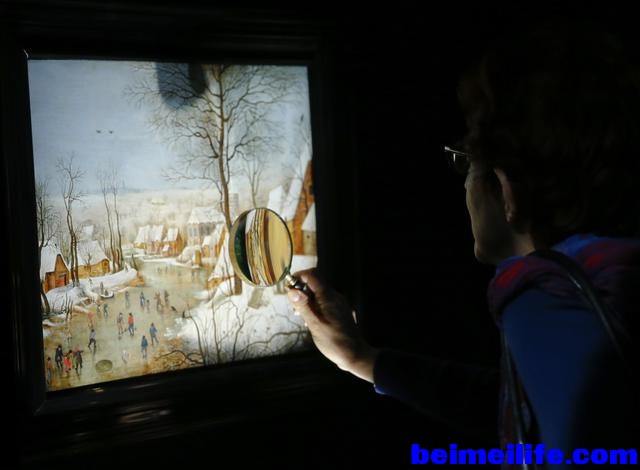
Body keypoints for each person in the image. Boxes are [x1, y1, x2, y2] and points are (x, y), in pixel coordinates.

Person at [287, 21, 639, 466]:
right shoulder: (606, 283)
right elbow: (517, 405)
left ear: (506, 192)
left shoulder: (548, 305)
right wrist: (362, 358)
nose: (465, 184)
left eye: (467, 161)